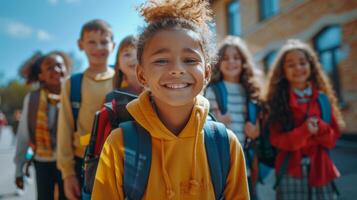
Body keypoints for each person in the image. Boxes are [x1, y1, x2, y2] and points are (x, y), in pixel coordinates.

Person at [92, 0, 249, 199]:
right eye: (161, 60)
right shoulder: (120, 144)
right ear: (141, 75)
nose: (177, 69)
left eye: (190, 60)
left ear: (207, 72)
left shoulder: (225, 144)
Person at [265, 39, 344, 200]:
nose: (298, 68)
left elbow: (331, 139)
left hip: (322, 170)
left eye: (302, 62)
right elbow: (277, 140)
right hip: (290, 171)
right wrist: (305, 131)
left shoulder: (322, 99)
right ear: (283, 71)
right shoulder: (278, 103)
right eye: (291, 64)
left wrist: (320, 127)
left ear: (311, 66)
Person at [56, 19, 115, 200]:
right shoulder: (72, 84)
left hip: (118, 164)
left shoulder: (124, 79)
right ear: (80, 45)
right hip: (82, 163)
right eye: (91, 42)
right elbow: (64, 129)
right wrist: (68, 174)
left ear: (113, 45)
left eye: (104, 42)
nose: (99, 47)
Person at [204, 35, 262, 199]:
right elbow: (203, 122)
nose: (231, 62)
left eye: (236, 58)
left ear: (244, 62)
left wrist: (256, 132)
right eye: (226, 58)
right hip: (222, 162)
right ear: (218, 63)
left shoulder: (251, 91)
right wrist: (217, 122)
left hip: (246, 161)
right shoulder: (212, 90)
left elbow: (259, 124)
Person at [13, 51, 71, 200]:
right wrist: (19, 170)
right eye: (49, 68)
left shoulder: (75, 93)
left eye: (59, 65)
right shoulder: (33, 99)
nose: (56, 70)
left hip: (70, 162)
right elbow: (23, 135)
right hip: (43, 163)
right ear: (41, 76)